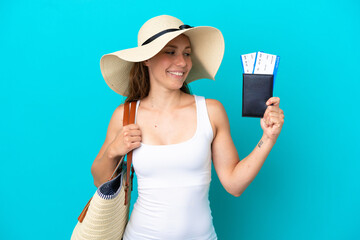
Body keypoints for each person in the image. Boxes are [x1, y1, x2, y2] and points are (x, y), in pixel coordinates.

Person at [90, 15, 284, 239]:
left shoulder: (211, 111)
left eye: (187, 53)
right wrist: (114, 150)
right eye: (170, 52)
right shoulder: (125, 115)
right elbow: (99, 180)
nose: (182, 62)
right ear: (146, 59)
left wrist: (268, 138)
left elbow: (234, 184)